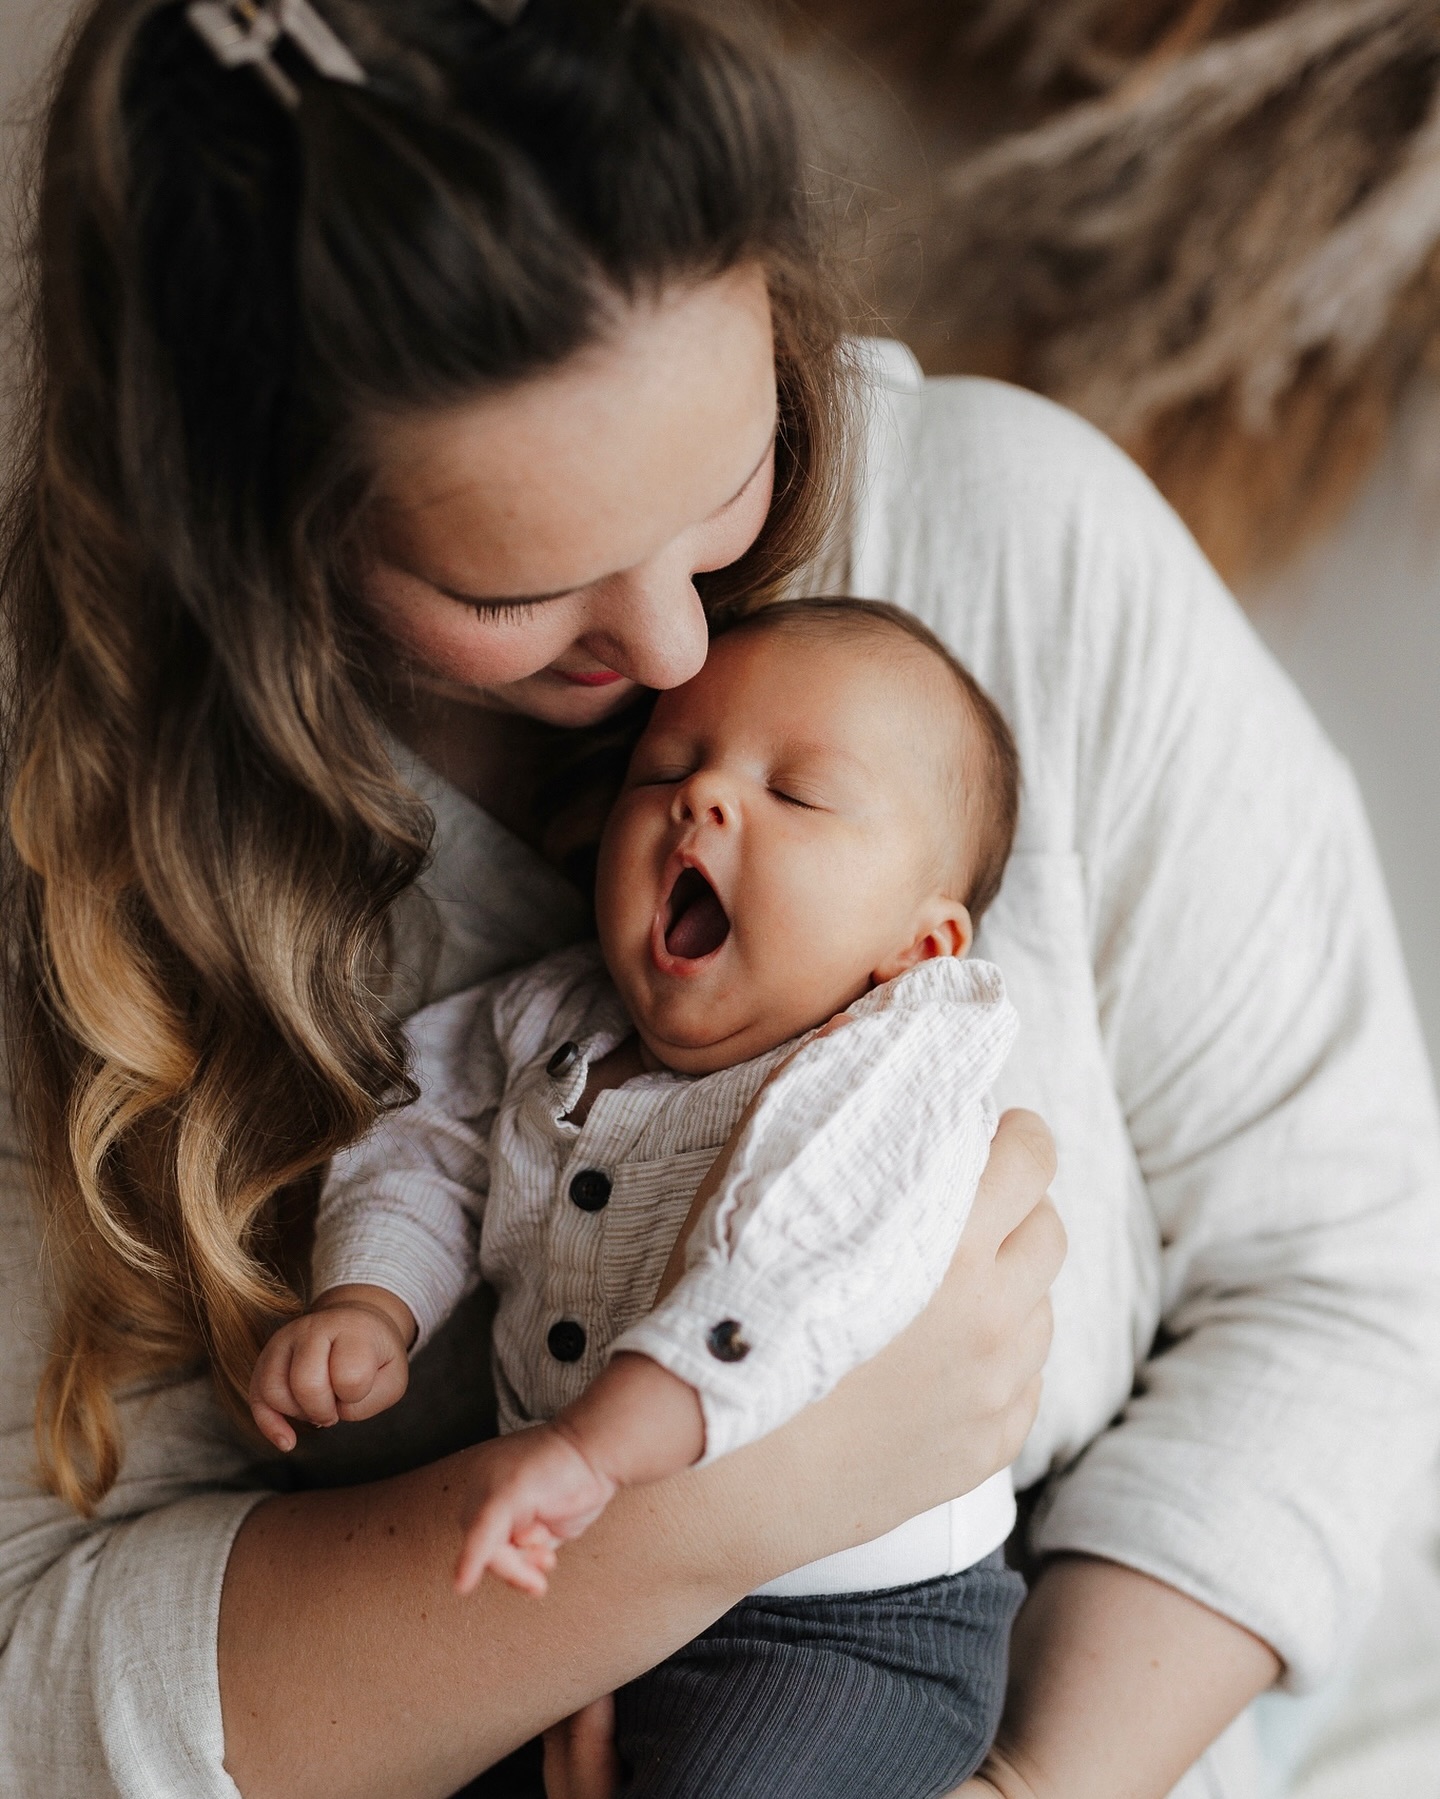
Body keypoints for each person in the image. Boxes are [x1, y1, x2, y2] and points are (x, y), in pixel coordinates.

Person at [0, 3, 1432, 1799]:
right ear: (248, 530)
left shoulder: (1018, 537)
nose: (680, 648)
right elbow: (32, 1669)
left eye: (730, 474)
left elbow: (1350, 1262)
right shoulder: (72, 870)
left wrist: (1039, 1782)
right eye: (518, 588)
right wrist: (710, 1504)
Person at [250, 599, 1027, 1799]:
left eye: (800, 793)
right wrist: (373, 1298)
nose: (703, 799)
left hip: (842, 1618)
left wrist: (589, 1449)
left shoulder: (894, 1056)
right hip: (578, 1595)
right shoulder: (544, 1018)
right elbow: (426, 1136)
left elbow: (794, 1249)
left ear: (922, 944)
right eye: (667, 766)